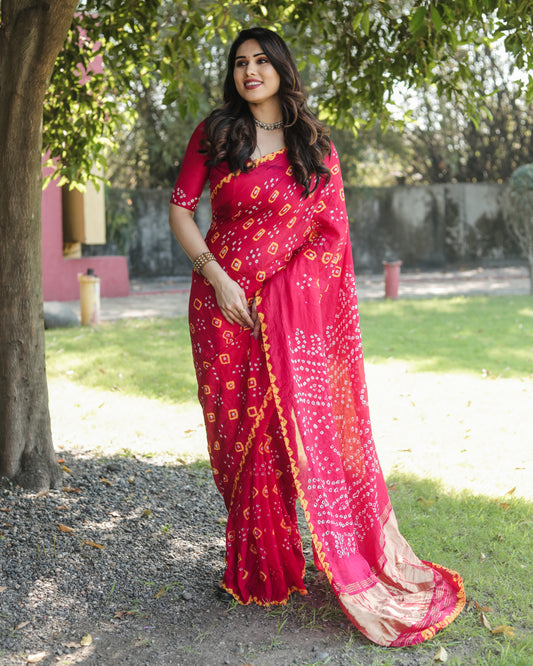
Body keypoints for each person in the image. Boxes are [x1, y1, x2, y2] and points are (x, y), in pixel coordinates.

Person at [169, 27, 465, 647]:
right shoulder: (217, 133)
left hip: (283, 312)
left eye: (260, 61)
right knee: (232, 434)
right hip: (220, 305)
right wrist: (218, 279)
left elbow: (330, 238)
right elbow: (181, 209)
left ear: (280, 67)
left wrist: (279, 291)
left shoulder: (313, 146)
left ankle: (270, 570)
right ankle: (256, 562)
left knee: (278, 433)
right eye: (240, 63)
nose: (250, 71)